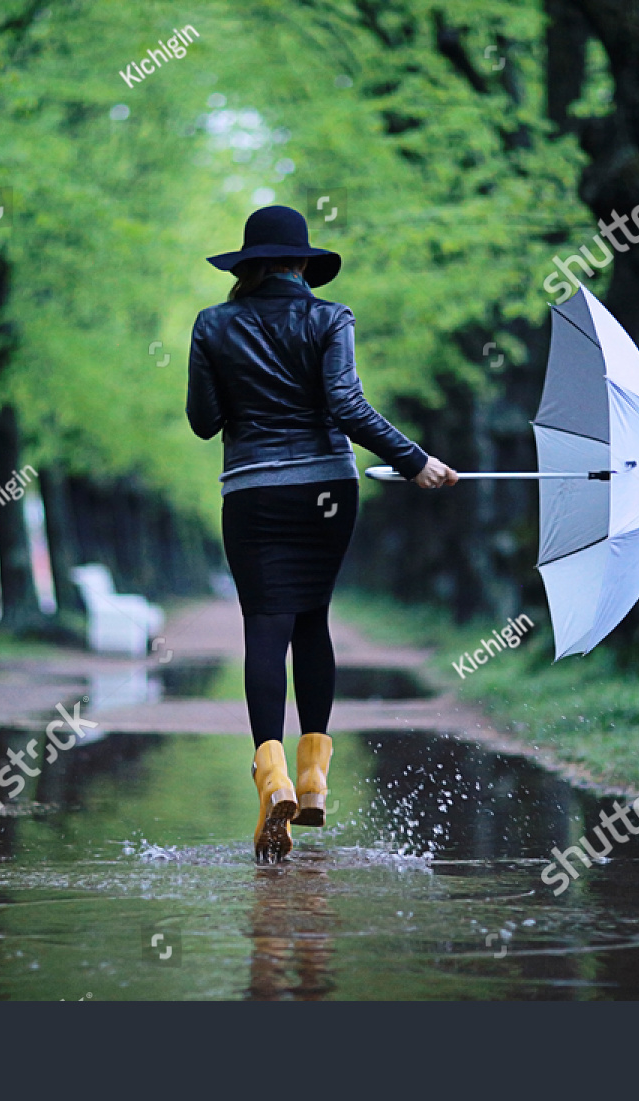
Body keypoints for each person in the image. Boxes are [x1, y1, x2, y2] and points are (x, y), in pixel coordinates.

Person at [187, 205, 458, 863]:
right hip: (326, 493)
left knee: (266, 627)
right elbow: (346, 404)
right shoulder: (330, 317)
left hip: (252, 493)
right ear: (305, 263)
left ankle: (272, 774)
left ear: (247, 266)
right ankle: (312, 778)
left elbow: (204, 421)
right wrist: (414, 458)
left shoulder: (213, 325)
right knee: (313, 621)